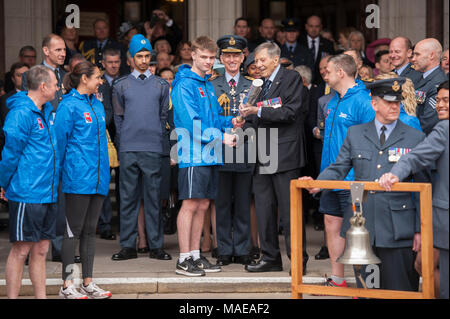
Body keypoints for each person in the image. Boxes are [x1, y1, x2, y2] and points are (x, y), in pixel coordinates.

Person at [302, 77, 430, 292]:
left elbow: (423, 185)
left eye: (397, 103)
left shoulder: (414, 137)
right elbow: (339, 167)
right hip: (364, 227)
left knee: (401, 290)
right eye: (388, 102)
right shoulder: (356, 133)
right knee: (368, 290)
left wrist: (420, 230)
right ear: (374, 104)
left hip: (399, 229)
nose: (394, 107)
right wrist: (319, 184)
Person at [171, 36, 239, 276]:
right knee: (189, 204)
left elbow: (214, 118)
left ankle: (196, 256)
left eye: (212, 58)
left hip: (210, 154)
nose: (209, 62)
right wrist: (222, 137)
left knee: (203, 204)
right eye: (204, 57)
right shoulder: (184, 84)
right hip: (192, 154)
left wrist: (231, 120)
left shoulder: (207, 84)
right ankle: (183, 258)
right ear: (193, 55)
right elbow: (192, 124)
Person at [239, 42, 308, 272]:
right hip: (262, 155)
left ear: (275, 60)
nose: (257, 65)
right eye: (256, 61)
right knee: (264, 211)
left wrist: (256, 111)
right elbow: (255, 115)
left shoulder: (291, 79)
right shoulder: (259, 84)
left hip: (285, 155)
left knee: (290, 213)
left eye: (261, 60)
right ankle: (270, 258)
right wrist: (243, 121)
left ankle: (297, 261)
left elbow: (291, 112)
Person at [379, 80, 449, 299]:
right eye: (437, 100)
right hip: (441, 222)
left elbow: (415, 157)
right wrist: (396, 173)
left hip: (444, 221)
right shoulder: (444, 128)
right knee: (425, 267)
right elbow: (416, 157)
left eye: (446, 100)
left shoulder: (445, 127)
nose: (439, 105)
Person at [0, 65, 59, 299]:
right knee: (21, 249)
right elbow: (10, 153)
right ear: (43, 86)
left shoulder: (46, 110)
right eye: (55, 83)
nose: (58, 87)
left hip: (48, 191)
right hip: (27, 192)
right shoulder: (21, 112)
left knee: (42, 249)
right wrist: (3, 183)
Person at [111, 34, 171, 262]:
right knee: (127, 198)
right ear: (130, 58)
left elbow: (162, 115)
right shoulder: (121, 85)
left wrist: (156, 137)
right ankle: (128, 245)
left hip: (152, 147)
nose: (144, 60)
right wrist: (123, 142)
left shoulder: (161, 85)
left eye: (147, 56)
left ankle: (156, 245)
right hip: (128, 147)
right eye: (140, 56)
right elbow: (118, 117)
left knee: (154, 198)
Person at [316, 54, 375, 288]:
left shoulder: (363, 100)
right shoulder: (332, 100)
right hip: (331, 176)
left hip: (353, 179)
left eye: (328, 71)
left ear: (341, 72)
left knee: (357, 232)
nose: (325, 75)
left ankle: (365, 284)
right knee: (331, 222)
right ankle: (338, 278)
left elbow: (372, 139)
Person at [55, 61, 111, 299]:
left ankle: (87, 282)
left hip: (98, 178)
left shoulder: (97, 105)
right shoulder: (68, 106)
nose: (101, 81)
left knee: (89, 232)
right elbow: (59, 144)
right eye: (98, 77)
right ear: (84, 79)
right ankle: (67, 285)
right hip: (76, 179)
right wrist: (58, 178)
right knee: (72, 233)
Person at [21, 34, 68, 264]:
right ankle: (31, 247)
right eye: (58, 49)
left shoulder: (67, 75)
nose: (62, 53)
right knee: (38, 197)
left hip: (62, 143)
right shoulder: (33, 75)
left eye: (64, 49)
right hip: (40, 142)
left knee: (59, 197)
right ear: (46, 51)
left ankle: (58, 248)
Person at [210, 35, 254, 266]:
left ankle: (244, 248)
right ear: (221, 58)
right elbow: (209, 117)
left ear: (243, 56)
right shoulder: (212, 84)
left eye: (236, 55)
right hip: (221, 151)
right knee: (223, 203)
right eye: (227, 55)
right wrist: (226, 126)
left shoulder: (253, 84)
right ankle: (224, 249)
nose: (232, 59)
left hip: (246, 149)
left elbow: (258, 115)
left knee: (244, 203)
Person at [97, 48, 122, 241]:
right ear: (103, 64)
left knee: (124, 184)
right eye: (110, 62)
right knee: (104, 183)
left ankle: (124, 222)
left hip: (122, 139)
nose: (114, 65)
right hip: (103, 138)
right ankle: (104, 225)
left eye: (116, 62)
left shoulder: (125, 81)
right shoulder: (97, 82)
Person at [412, 38, 447, 134]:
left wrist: (404, 132)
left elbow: (429, 121)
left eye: (417, 54)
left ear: (431, 55)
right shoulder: (420, 77)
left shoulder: (439, 82)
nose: (413, 59)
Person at [299, 15, 335, 84]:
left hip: (322, 83)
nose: (314, 29)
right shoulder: (299, 42)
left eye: (317, 26)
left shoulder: (328, 44)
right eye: (311, 26)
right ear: (306, 27)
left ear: (321, 27)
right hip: (303, 83)